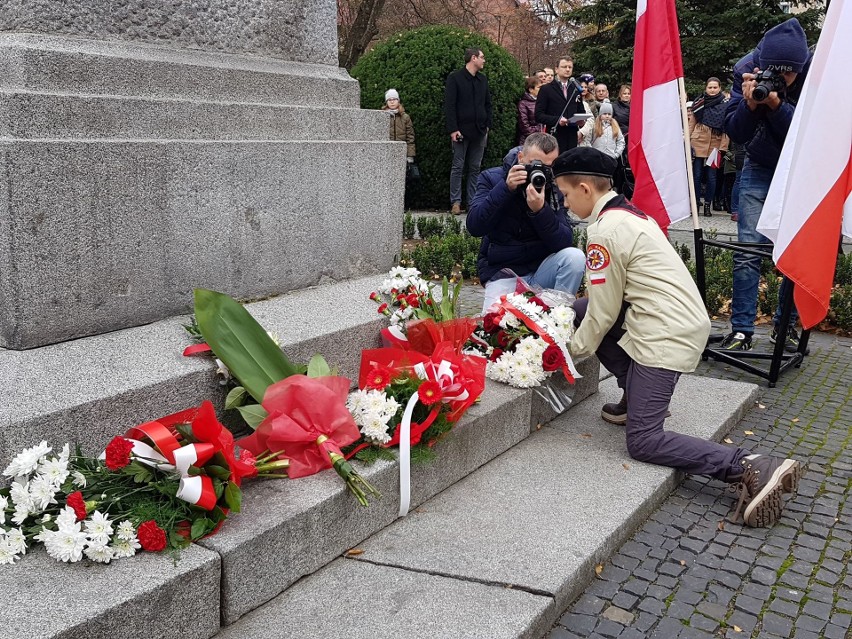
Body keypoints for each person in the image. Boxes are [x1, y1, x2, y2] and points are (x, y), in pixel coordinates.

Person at [553, 146, 801, 528]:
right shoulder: (628, 213)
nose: (565, 203)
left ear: (585, 188)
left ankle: (748, 465)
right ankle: (635, 395)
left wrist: (564, 351)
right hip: (669, 318)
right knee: (581, 310)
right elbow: (602, 303)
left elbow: (604, 312)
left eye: (566, 194)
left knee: (644, 442)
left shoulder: (605, 228)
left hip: (666, 332)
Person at [722, 18, 813, 352]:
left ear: (800, 68)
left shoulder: (816, 73)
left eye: (789, 73)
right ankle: (742, 330)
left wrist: (775, 105)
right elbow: (736, 133)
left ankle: (784, 328)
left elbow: (804, 134)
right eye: (774, 71)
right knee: (748, 251)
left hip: (802, 169)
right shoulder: (746, 68)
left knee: (795, 252)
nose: (781, 78)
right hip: (759, 165)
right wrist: (750, 105)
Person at [466, 132, 585, 313]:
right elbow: (475, 226)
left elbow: (564, 242)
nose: (542, 172)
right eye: (536, 165)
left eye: (549, 167)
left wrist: (540, 211)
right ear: (521, 157)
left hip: (541, 270)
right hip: (503, 272)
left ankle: (558, 319)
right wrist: (505, 189)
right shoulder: (491, 178)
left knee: (574, 257)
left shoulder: (554, 187)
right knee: (492, 330)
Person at [444, 47, 493, 215]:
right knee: (457, 166)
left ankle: (472, 202)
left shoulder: (482, 80)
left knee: (475, 167)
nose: (484, 60)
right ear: (473, 58)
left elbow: (488, 104)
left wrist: (487, 125)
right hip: (460, 131)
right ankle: (455, 202)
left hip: (479, 130)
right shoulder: (455, 78)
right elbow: (449, 106)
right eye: (482, 57)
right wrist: (453, 129)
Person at [690, 77, 729, 217]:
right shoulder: (699, 102)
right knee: (696, 175)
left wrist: (723, 147)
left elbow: (727, 128)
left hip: (715, 144)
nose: (712, 90)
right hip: (698, 141)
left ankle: (707, 205)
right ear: (706, 88)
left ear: (719, 88)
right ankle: (695, 205)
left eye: (715, 87)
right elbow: (692, 123)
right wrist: (687, 142)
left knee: (712, 177)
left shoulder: (726, 104)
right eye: (710, 87)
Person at [534, 57, 585, 154]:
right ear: (556, 69)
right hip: (554, 136)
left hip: (572, 136)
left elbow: (581, 110)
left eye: (570, 67)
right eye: (564, 66)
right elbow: (538, 115)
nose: (567, 69)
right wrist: (557, 120)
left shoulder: (575, 88)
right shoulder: (546, 89)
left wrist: (582, 121)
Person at [382, 89, 416, 164]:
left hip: (401, 153)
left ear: (398, 101)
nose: (392, 101)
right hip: (386, 153)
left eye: (394, 99)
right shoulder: (382, 117)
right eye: (389, 100)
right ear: (386, 102)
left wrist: (410, 156)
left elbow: (410, 137)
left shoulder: (405, 117)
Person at [517, 76, 544, 145]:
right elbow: (524, 126)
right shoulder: (523, 104)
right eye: (539, 87)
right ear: (531, 89)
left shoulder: (542, 101)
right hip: (529, 141)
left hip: (542, 139)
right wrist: (539, 130)